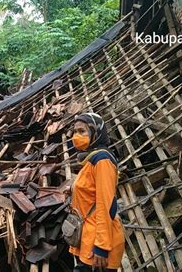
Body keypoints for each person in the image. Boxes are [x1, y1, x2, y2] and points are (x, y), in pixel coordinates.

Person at [68, 113, 124, 271]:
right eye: (74, 132)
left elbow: (106, 204)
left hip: (99, 243)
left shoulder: (102, 160)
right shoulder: (90, 159)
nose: (75, 136)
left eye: (82, 131)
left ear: (96, 132)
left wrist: (101, 246)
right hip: (89, 237)